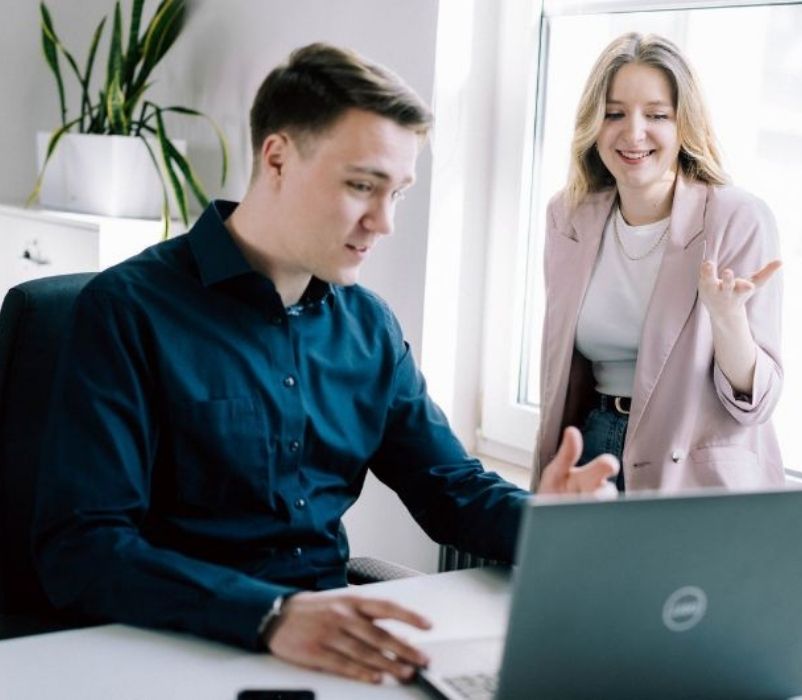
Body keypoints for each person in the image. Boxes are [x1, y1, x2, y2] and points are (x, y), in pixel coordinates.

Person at [32, 43, 617, 685]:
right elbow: (83, 550)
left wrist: (553, 526)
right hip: (172, 651)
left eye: (398, 192)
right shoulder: (126, 311)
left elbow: (449, 488)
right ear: (277, 157)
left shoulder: (367, 327)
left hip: (332, 655)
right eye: (361, 186)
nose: (384, 222)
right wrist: (273, 615)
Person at [532, 33, 784, 493]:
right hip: (596, 448)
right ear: (593, 123)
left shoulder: (736, 217)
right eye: (614, 113)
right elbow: (562, 375)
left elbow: (757, 403)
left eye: (656, 115)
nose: (633, 132)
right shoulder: (569, 216)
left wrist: (728, 320)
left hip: (692, 467)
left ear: (683, 124)